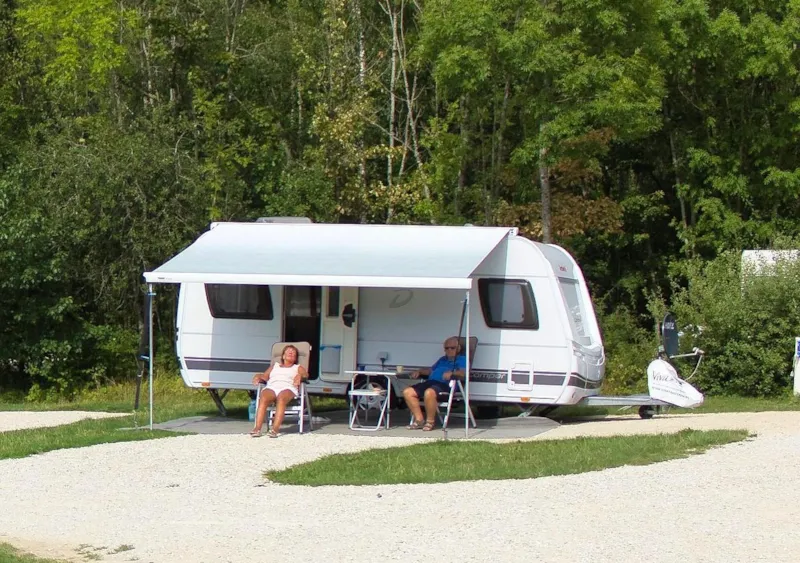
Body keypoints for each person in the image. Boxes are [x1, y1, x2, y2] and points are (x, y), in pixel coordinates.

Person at [402, 337, 466, 431]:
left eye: (452, 348)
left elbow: (463, 373)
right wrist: (419, 371)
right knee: (407, 392)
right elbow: (431, 371)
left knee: (429, 392)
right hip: (431, 382)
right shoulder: (442, 359)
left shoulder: (462, 359)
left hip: (445, 385)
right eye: (446, 348)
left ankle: (430, 422)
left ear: (459, 348)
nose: (449, 350)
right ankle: (419, 420)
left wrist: (452, 373)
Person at [249, 344, 307, 438]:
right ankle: (257, 429)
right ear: (283, 356)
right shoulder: (274, 366)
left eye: (293, 353)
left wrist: (300, 376)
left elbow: (305, 375)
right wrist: (258, 376)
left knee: (281, 397)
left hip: (288, 388)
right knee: (263, 397)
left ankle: (275, 429)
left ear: (295, 357)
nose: (291, 353)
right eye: (288, 351)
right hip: (272, 387)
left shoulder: (297, 367)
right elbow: (265, 377)